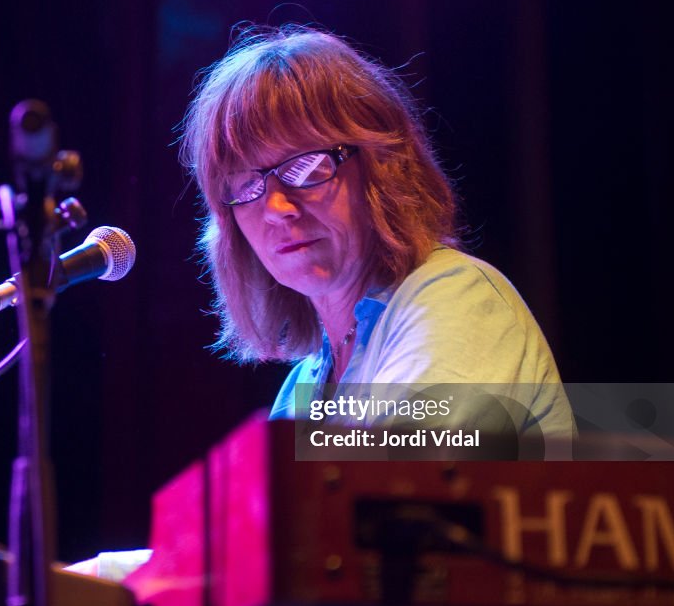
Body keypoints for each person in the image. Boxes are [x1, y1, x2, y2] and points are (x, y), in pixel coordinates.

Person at [179, 25, 575, 458]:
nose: (276, 207)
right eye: (245, 184)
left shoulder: (455, 299)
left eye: (306, 167)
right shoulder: (303, 388)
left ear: (382, 167)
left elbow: (389, 498)